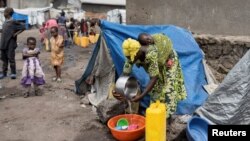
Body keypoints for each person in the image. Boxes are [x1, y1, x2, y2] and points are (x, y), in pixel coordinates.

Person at [113, 33, 187, 118]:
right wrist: (117, 88)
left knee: (169, 88)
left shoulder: (150, 53)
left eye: (133, 58)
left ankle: (167, 117)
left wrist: (141, 96)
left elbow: (153, 78)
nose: (131, 60)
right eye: (129, 58)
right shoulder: (131, 53)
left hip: (168, 60)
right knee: (156, 89)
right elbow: (125, 73)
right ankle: (154, 113)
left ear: (138, 52)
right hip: (156, 62)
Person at [0, 7, 25, 79]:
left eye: (5, 12)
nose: (4, 14)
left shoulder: (13, 21)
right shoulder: (5, 21)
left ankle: (13, 73)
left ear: (8, 13)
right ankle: (4, 73)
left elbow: (23, 27)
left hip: (10, 43)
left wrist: (16, 33)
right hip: (3, 43)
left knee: (11, 58)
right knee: (4, 59)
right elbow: (5, 30)